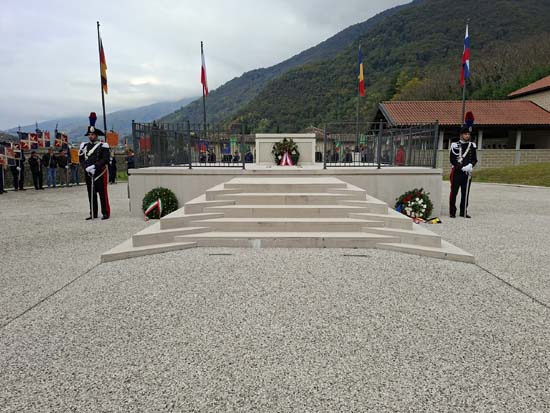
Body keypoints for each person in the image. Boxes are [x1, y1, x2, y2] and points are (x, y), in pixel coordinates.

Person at [79, 115, 110, 220]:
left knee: (102, 193)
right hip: (88, 172)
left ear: (96, 135)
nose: (90, 136)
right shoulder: (84, 146)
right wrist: (86, 167)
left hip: (99, 172)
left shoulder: (103, 145)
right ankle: (93, 213)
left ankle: (105, 212)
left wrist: (94, 166)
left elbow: (105, 159)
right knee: (91, 193)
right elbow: (81, 159)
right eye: (89, 134)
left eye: (92, 134)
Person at [449, 125, 478, 218]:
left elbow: (474, 159)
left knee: (465, 193)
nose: (467, 136)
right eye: (465, 134)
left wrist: (471, 165)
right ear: (461, 135)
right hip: (457, 172)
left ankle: (463, 211)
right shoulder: (455, 145)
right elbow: (452, 159)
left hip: (467, 173)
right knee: (454, 192)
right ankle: (452, 212)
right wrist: (461, 168)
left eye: (468, 134)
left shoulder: (472, 146)